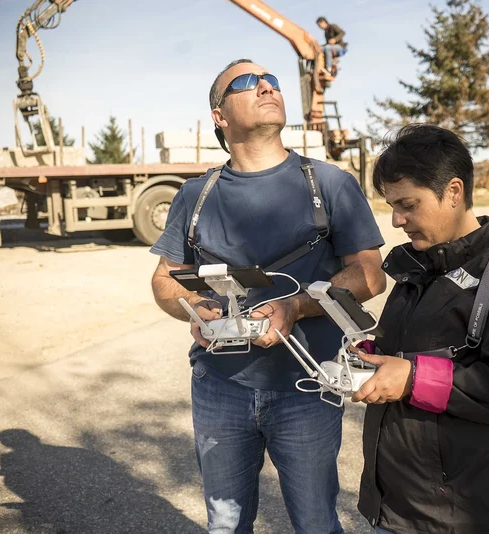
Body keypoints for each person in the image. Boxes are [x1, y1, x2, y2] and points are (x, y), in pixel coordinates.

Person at [149, 58, 386, 534]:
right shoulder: (195, 194)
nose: (265, 86)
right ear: (219, 115)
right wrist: (195, 307)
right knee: (225, 524)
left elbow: (370, 275)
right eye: (246, 82)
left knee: (316, 523)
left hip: (307, 388)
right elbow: (164, 279)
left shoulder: (330, 183)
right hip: (219, 387)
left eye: (271, 80)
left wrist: (296, 307)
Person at [350, 124, 489, 534]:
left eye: (408, 204)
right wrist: (373, 354)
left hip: (463, 517)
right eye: (392, 205)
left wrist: (411, 378)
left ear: (454, 192)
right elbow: (416, 347)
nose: (396, 221)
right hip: (392, 507)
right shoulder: (418, 267)